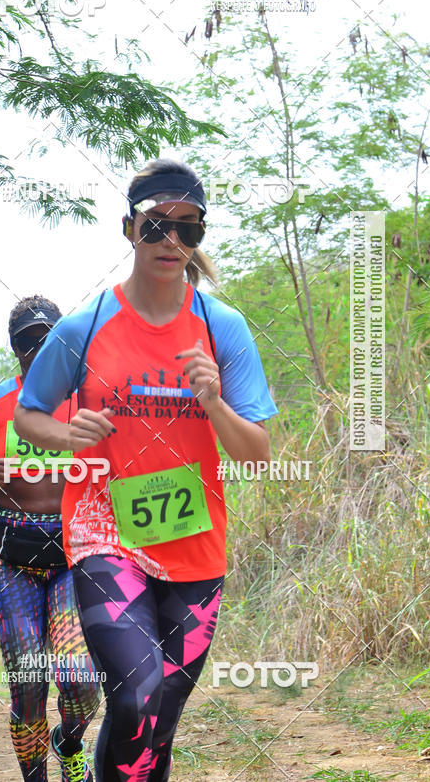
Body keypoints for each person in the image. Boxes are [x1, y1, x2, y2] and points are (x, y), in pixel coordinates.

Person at [14, 158, 278, 781]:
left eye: (189, 228)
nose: (171, 240)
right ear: (129, 228)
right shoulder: (84, 327)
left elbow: (256, 452)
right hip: (105, 535)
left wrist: (213, 403)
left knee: (161, 716)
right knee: (137, 691)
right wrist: (67, 433)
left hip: (193, 542)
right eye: (157, 224)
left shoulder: (222, 327)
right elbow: (29, 415)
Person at [0, 296, 101, 782]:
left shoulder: (89, 398)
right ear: (14, 348)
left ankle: (69, 742)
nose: (37, 349)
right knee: (28, 682)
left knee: (80, 680)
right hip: (10, 558)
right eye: (26, 341)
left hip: (74, 555)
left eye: (47, 338)